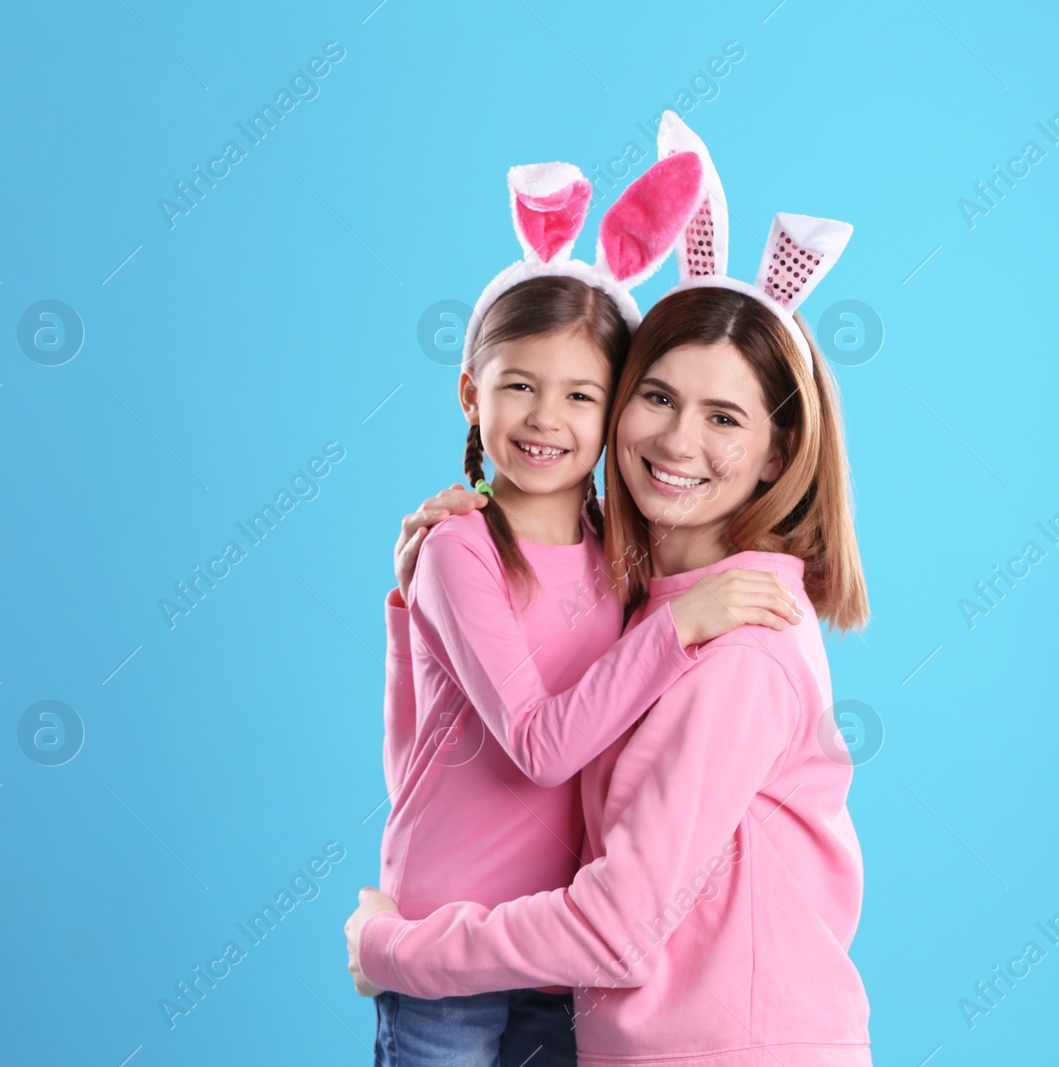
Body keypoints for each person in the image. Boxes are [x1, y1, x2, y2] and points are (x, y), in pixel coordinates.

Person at [349, 112, 873, 1066]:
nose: (677, 443)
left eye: (725, 417)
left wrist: (397, 947)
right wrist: (417, 614)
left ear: (777, 454)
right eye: (660, 397)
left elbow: (609, 919)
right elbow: (452, 747)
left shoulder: (732, 637)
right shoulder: (647, 599)